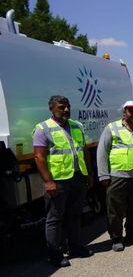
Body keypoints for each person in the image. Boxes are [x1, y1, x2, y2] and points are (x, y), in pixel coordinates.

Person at [33, 95, 94, 267]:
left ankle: (75, 247)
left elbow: (85, 150)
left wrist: (88, 173)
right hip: (58, 181)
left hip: (77, 177)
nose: (66, 110)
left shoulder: (76, 126)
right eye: (61, 107)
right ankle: (55, 254)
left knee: (75, 215)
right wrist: (48, 181)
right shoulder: (43, 128)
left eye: (67, 106)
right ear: (51, 108)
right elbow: (39, 157)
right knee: (55, 218)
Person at [97, 100, 133, 251]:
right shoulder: (112, 128)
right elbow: (102, 151)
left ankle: (131, 235)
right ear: (124, 112)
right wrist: (103, 175)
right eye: (130, 111)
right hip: (117, 176)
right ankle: (116, 238)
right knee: (115, 210)